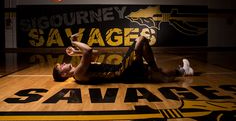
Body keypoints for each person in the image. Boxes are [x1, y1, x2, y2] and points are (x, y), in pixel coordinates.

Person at [52, 34, 194, 84]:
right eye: (61, 66)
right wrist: (74, 42)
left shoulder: (79, 71)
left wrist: (76, 51)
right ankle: (155, 68)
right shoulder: (77, 74)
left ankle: (182, 71)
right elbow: (88, 50)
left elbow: (94, 54)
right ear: (63, 74)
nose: (64, 63)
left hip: (123, 71)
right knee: (141, 40)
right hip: (121, 72)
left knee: (161, 75)